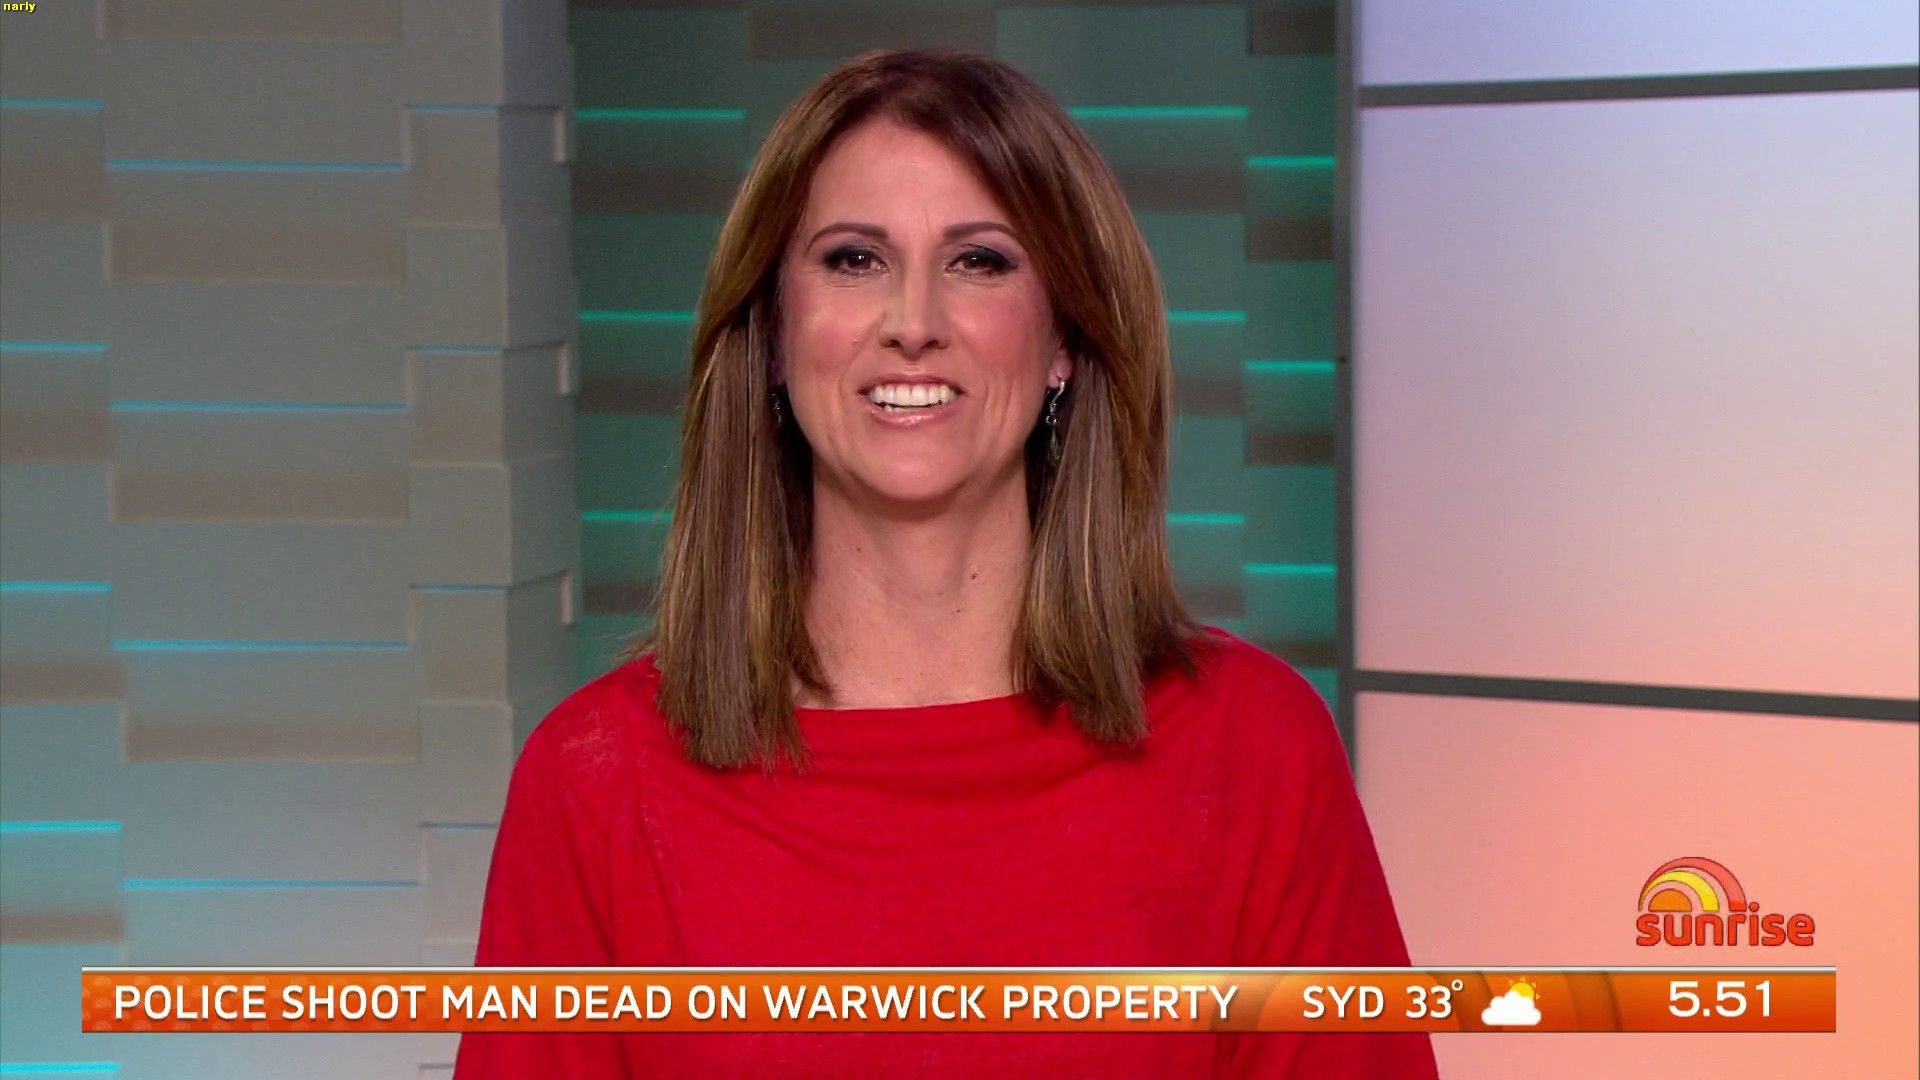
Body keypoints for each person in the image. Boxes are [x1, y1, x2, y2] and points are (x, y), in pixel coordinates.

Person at [454, 48, 1437, 1079]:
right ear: (775, 335)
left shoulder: (1255, 752)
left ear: (1064, 338)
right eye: (853, 259)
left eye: (979, 261)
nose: (913, 325)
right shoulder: (597, 782)